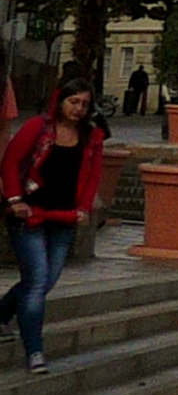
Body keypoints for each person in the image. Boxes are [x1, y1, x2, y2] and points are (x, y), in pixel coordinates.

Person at [0, 77, 107, 374]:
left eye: (85, 104)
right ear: (60, 101)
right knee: (36, 280)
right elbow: (10, 161)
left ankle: (2, 315)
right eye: (74, 102)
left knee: (45, 280)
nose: (79, 109)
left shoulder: (91, 137)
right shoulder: (38, 127)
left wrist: (84, 208)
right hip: (28, 215)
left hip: (64, 218)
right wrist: (14, 198)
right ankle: (34, 351)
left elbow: (93, 176)